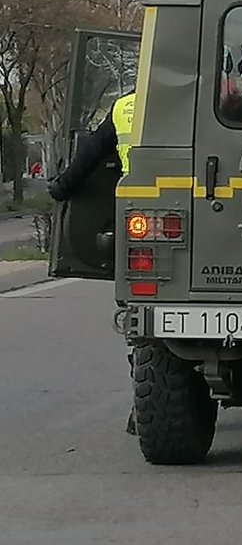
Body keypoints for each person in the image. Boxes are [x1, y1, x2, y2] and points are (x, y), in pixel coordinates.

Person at [47, 90, 138, 436]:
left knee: (145, 314)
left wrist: (63, 186)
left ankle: (145, 401)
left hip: (139, 208)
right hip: (202, 200)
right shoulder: (201, 95)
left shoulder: (124, 107)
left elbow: (90, 154)